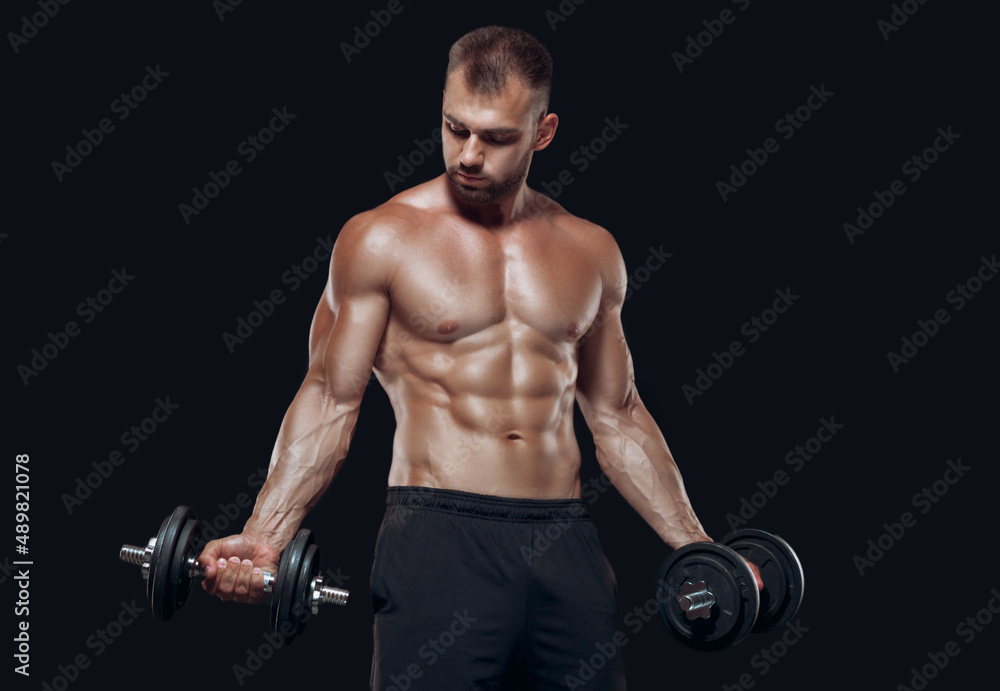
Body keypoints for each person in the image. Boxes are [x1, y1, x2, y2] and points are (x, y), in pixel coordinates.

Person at [198, 25, 759, 689]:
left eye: (496, 137)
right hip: (439, 536)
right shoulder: (382, 238)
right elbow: (329, 394)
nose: (468, 154)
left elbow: (617, 412)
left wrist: (696, 546)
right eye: (454, 127)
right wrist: (266, 534)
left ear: (543, 132)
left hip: (566, 541)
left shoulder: (591, 250)